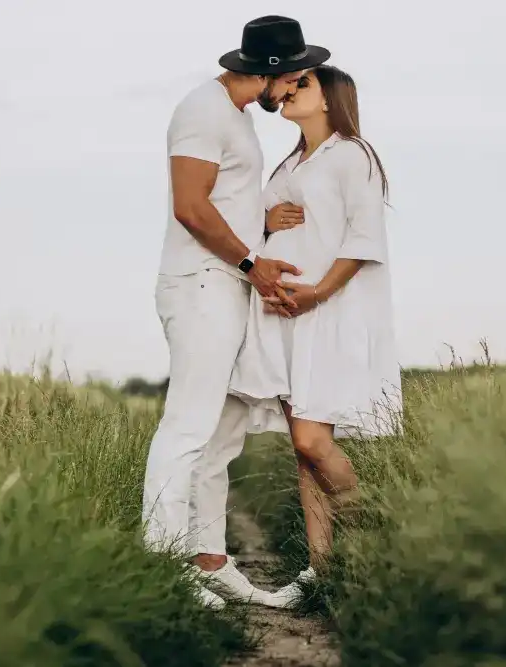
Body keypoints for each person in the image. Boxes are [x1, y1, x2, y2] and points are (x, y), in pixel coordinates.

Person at [142, 16, 331, 610]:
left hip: (227, 288)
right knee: (188, 427)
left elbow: (221, 204)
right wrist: (254, 261)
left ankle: (210, 562)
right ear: (271, 72)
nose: (299, 81)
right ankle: (163, 565)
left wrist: (261, 226)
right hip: (202, 286)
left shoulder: (237, 116)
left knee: (222, 437)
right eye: (296, 73)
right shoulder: (202, 109)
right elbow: (191, 208)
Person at [229, 64, 402, 608]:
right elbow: (254, 226)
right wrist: (265, 224)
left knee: (312, 440)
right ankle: (321, 569)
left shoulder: (353, 155)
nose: (286, 90)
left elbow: (364, 236)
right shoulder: (289, 162)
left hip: (328, 310)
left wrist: (319, 293)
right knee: (302, 455)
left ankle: (383, 543)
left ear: (329, 97)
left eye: (301, 83)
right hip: (286, 316)